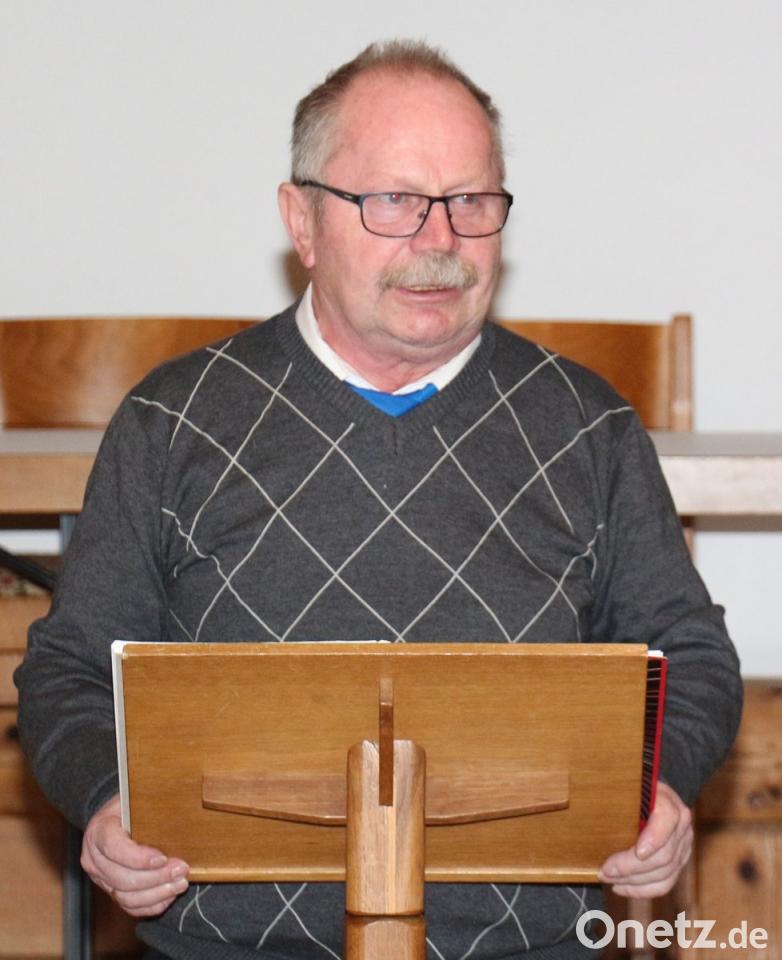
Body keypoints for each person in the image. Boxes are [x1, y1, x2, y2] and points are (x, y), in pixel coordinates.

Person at [16, 40, 741, 960]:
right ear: (303, 220)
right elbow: (70, 669)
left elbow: (690, 652)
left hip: (528, 947)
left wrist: (660, 788)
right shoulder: (173, 421)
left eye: (471, 201)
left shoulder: (585, 426)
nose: (440, 242)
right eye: (394, 200)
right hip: (231, 947)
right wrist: (104, 797)